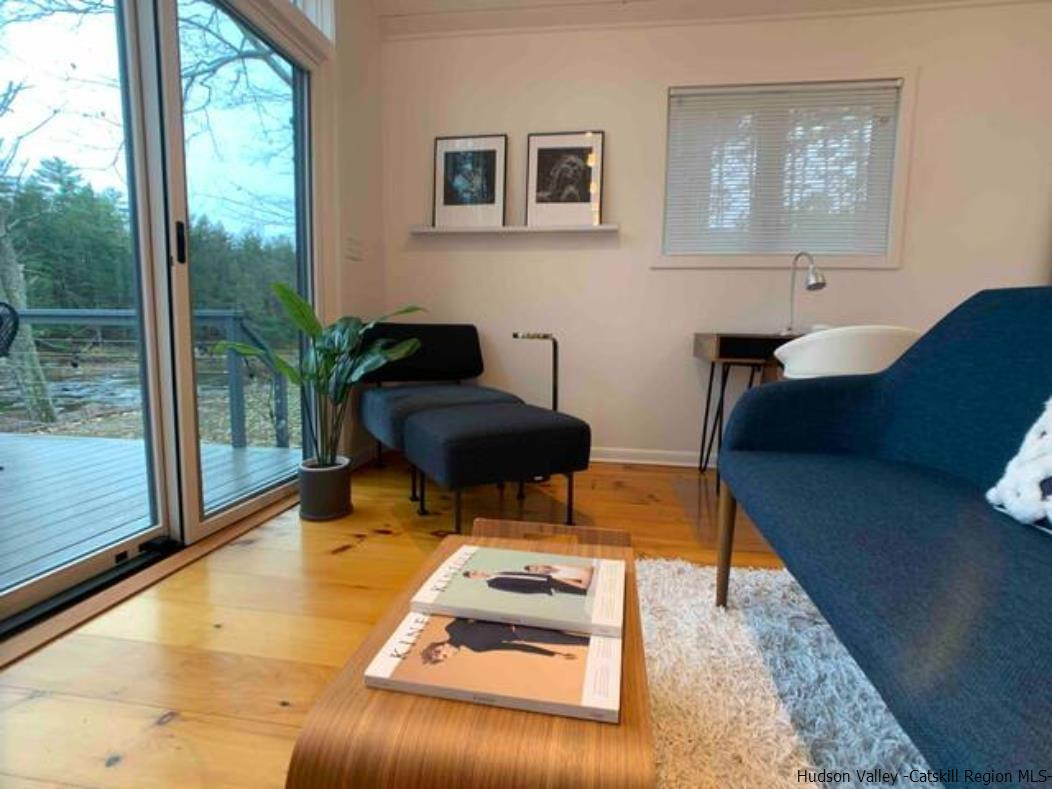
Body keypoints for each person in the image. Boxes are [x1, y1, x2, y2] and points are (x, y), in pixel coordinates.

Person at [421, 619, 587, 665]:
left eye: (444, 656)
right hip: (526, 633)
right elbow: (515, 647)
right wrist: (553, 654)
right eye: (445, 658)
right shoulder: (476, 647)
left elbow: (475, 609)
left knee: (580, 631)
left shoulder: (453, 628)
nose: (449, 656)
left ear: (439, 648)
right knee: (578, 640)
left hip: (522, 619)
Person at [462, 563, 592, 596]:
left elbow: (521, 575)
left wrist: (542, 576)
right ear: (475, 579)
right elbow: (519, 590)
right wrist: (543, 589)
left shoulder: (498, 573)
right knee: (578, 590)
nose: (478, 573)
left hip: (545, 578)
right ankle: (592, 593)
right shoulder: (492, 584)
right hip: (544, 585)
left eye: (476, 571)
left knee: (577, 580)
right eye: (475, 575)